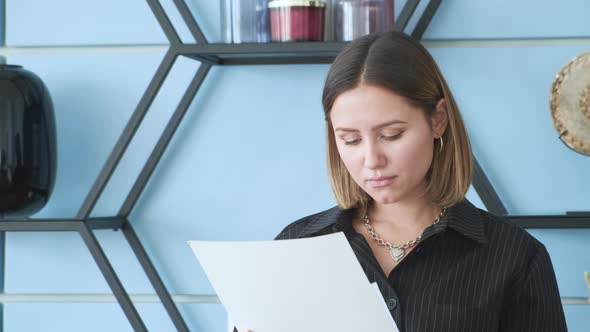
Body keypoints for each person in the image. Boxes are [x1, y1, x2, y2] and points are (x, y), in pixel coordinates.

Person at [237, 31, 567, 332]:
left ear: (437, 120)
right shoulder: (296, 247)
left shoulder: (516, 257)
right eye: (350, 140)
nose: (372, 159)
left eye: (392, 135)